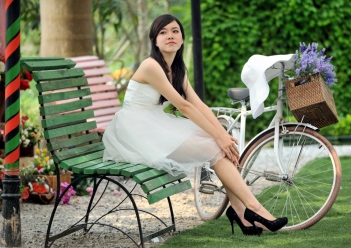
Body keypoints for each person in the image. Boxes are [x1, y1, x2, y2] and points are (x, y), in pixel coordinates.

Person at [103, 14, 287, 235]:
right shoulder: (151, 66)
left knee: (220, 145)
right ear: (155, 40)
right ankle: (254, 208)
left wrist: (223, 134)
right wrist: (219, 138)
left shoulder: (177, 69)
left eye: (174, 31)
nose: (169, 36)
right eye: (163, 32)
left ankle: (240, 212)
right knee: (215, 147)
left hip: (152, 123)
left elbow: (198, 104)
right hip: (135, 129)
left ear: (181, 39)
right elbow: (183, 106)